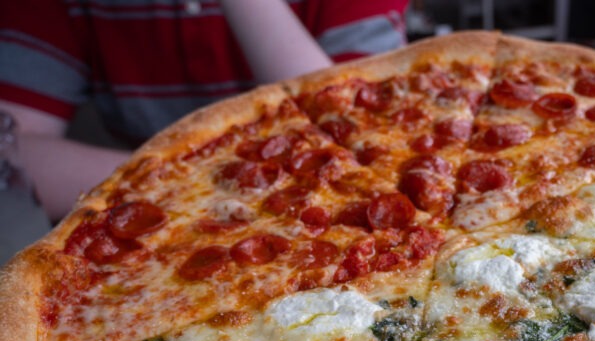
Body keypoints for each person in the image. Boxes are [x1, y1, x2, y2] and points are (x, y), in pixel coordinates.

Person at [0, 0, 408, 221]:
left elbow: (359, 147)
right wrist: (197, 178)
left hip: (340, 221)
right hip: (152, 231)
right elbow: (10, 152)